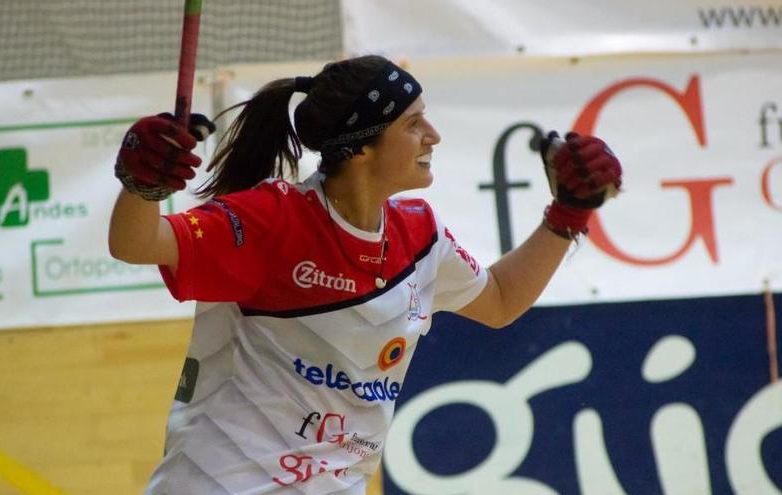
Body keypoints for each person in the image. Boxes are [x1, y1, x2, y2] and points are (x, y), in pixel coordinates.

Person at [108, 55, 622, 495]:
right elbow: (136, 243)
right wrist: (142, 185)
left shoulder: (421, 236)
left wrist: (568, 215)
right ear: (360, 148)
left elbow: (502, 300)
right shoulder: (273, 220)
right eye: (413, 123)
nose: (433, 135)